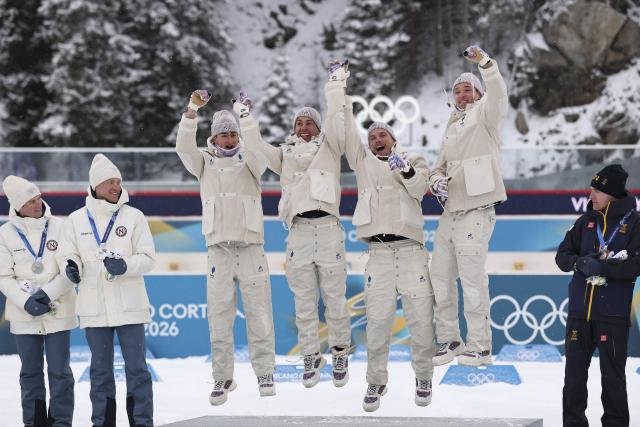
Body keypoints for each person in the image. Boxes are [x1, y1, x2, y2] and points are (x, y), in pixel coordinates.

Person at [325, 60, 435, 412]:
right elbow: (345, 127)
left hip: (412, 252)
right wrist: (338, 87)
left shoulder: (412, 158)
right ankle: (376, 383)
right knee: (377, 323)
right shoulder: (362, 163)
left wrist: (405, 170)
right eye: (372, 137)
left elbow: (420, 190)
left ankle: (423, 376)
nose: (376, 140)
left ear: (393, 138)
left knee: (420, 320)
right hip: (379, 254)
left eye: (382, 135)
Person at [234, 69, 351, 389]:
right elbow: (255, 146)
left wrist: (336, 86)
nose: (303, 127)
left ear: (318, 126)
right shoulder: (283, 154)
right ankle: (312, 356)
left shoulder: (330, 148)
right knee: (304, 301)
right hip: (298, 230)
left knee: (335, 299)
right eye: (298, 123)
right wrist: (245, 117)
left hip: (327, 227)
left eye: (308, 122)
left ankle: (340, 351)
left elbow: (337, 122)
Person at [175, 91, 276, 405]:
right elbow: (182, 147)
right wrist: (192, 110)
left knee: (259, 314)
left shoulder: (251, 160)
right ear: (213, 137)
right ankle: (222, 378)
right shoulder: (202, 162)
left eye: (233, 133)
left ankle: (264, 372)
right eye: (224, 133)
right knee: (219, 317)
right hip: (218, 250)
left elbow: (259, 150)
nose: (230, 139)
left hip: (250, 249)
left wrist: (245, 116)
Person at [57, 154, 155, 427]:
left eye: (118, 181)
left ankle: (142, 422)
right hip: (94, 307)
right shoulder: (76, 220)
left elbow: (148, 258)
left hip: (130, 308)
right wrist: (71, 267)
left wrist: (125, 265)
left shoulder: (134, 216)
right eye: (109, 182)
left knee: (137, 370)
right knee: (100, 372)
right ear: (95, 185)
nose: (115, 187)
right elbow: (68, 254)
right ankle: (102, 423)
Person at [428, 46, 508, 367]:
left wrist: (485, 65)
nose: (462, 95)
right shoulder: (451, 128)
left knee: (472, 279)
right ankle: (450, 340)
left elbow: (498, 93)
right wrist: (436, 182)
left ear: (478, 94)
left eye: (468, 89)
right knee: (440, 276)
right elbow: (437, 167)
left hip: (478, 209)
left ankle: (480, 346)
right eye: (458, 90)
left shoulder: (486, 116)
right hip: (451, 212)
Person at [556, 164, 638, 427]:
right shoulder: (586, 221)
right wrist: (580, 263)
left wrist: (602, 267)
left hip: (611, 316)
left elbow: (635, 265)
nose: (591, 196)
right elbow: (562, 255)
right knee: (573, 382)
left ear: (612, 193)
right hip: (580, 315)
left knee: (612, 381)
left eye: (596, 191)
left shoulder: (635, 224)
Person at [0, 176, 77, 427]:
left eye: (38, 199)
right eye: (30, 202)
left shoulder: (60, 226)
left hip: (58, 307)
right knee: (30, 374)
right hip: (24, 314)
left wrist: (47, 294)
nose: (37, 205)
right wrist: (26, 301)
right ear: (17, 206)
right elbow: (3, 276)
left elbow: (69, 267)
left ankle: (61, 423)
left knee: (60, 373)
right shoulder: (4, 234)